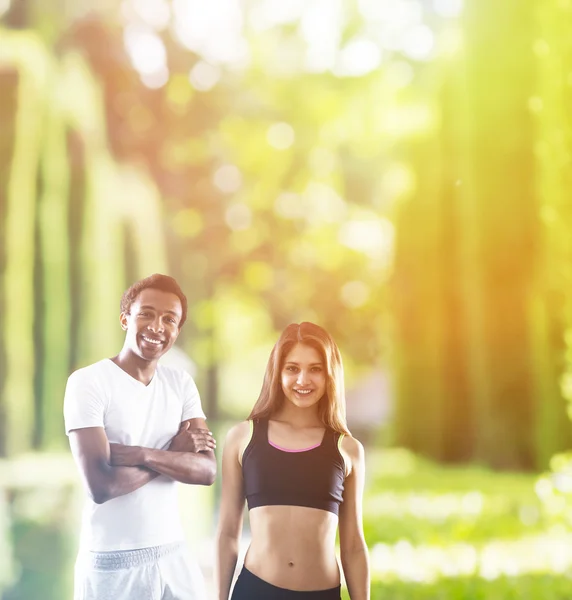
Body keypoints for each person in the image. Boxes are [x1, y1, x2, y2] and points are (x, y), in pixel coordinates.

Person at [64, 273, 216, 600]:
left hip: (174, 555)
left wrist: (140, 454)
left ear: (177, 330)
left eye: (169, 319)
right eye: (146, 313)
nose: (157, 326)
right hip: (111, 561)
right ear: (125, 319)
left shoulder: (181, 384)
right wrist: (173, 452)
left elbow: (207, 471)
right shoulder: (88, 382)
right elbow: (101, 486)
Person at [215, 322, 370, 600]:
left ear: (330, 374)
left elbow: (354, 547)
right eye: (292, 368)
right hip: (256, 590)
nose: (303, 380)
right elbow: (227, 533)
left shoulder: (347, 449)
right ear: (277, 373)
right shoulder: (243, 438)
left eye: (315, 369)